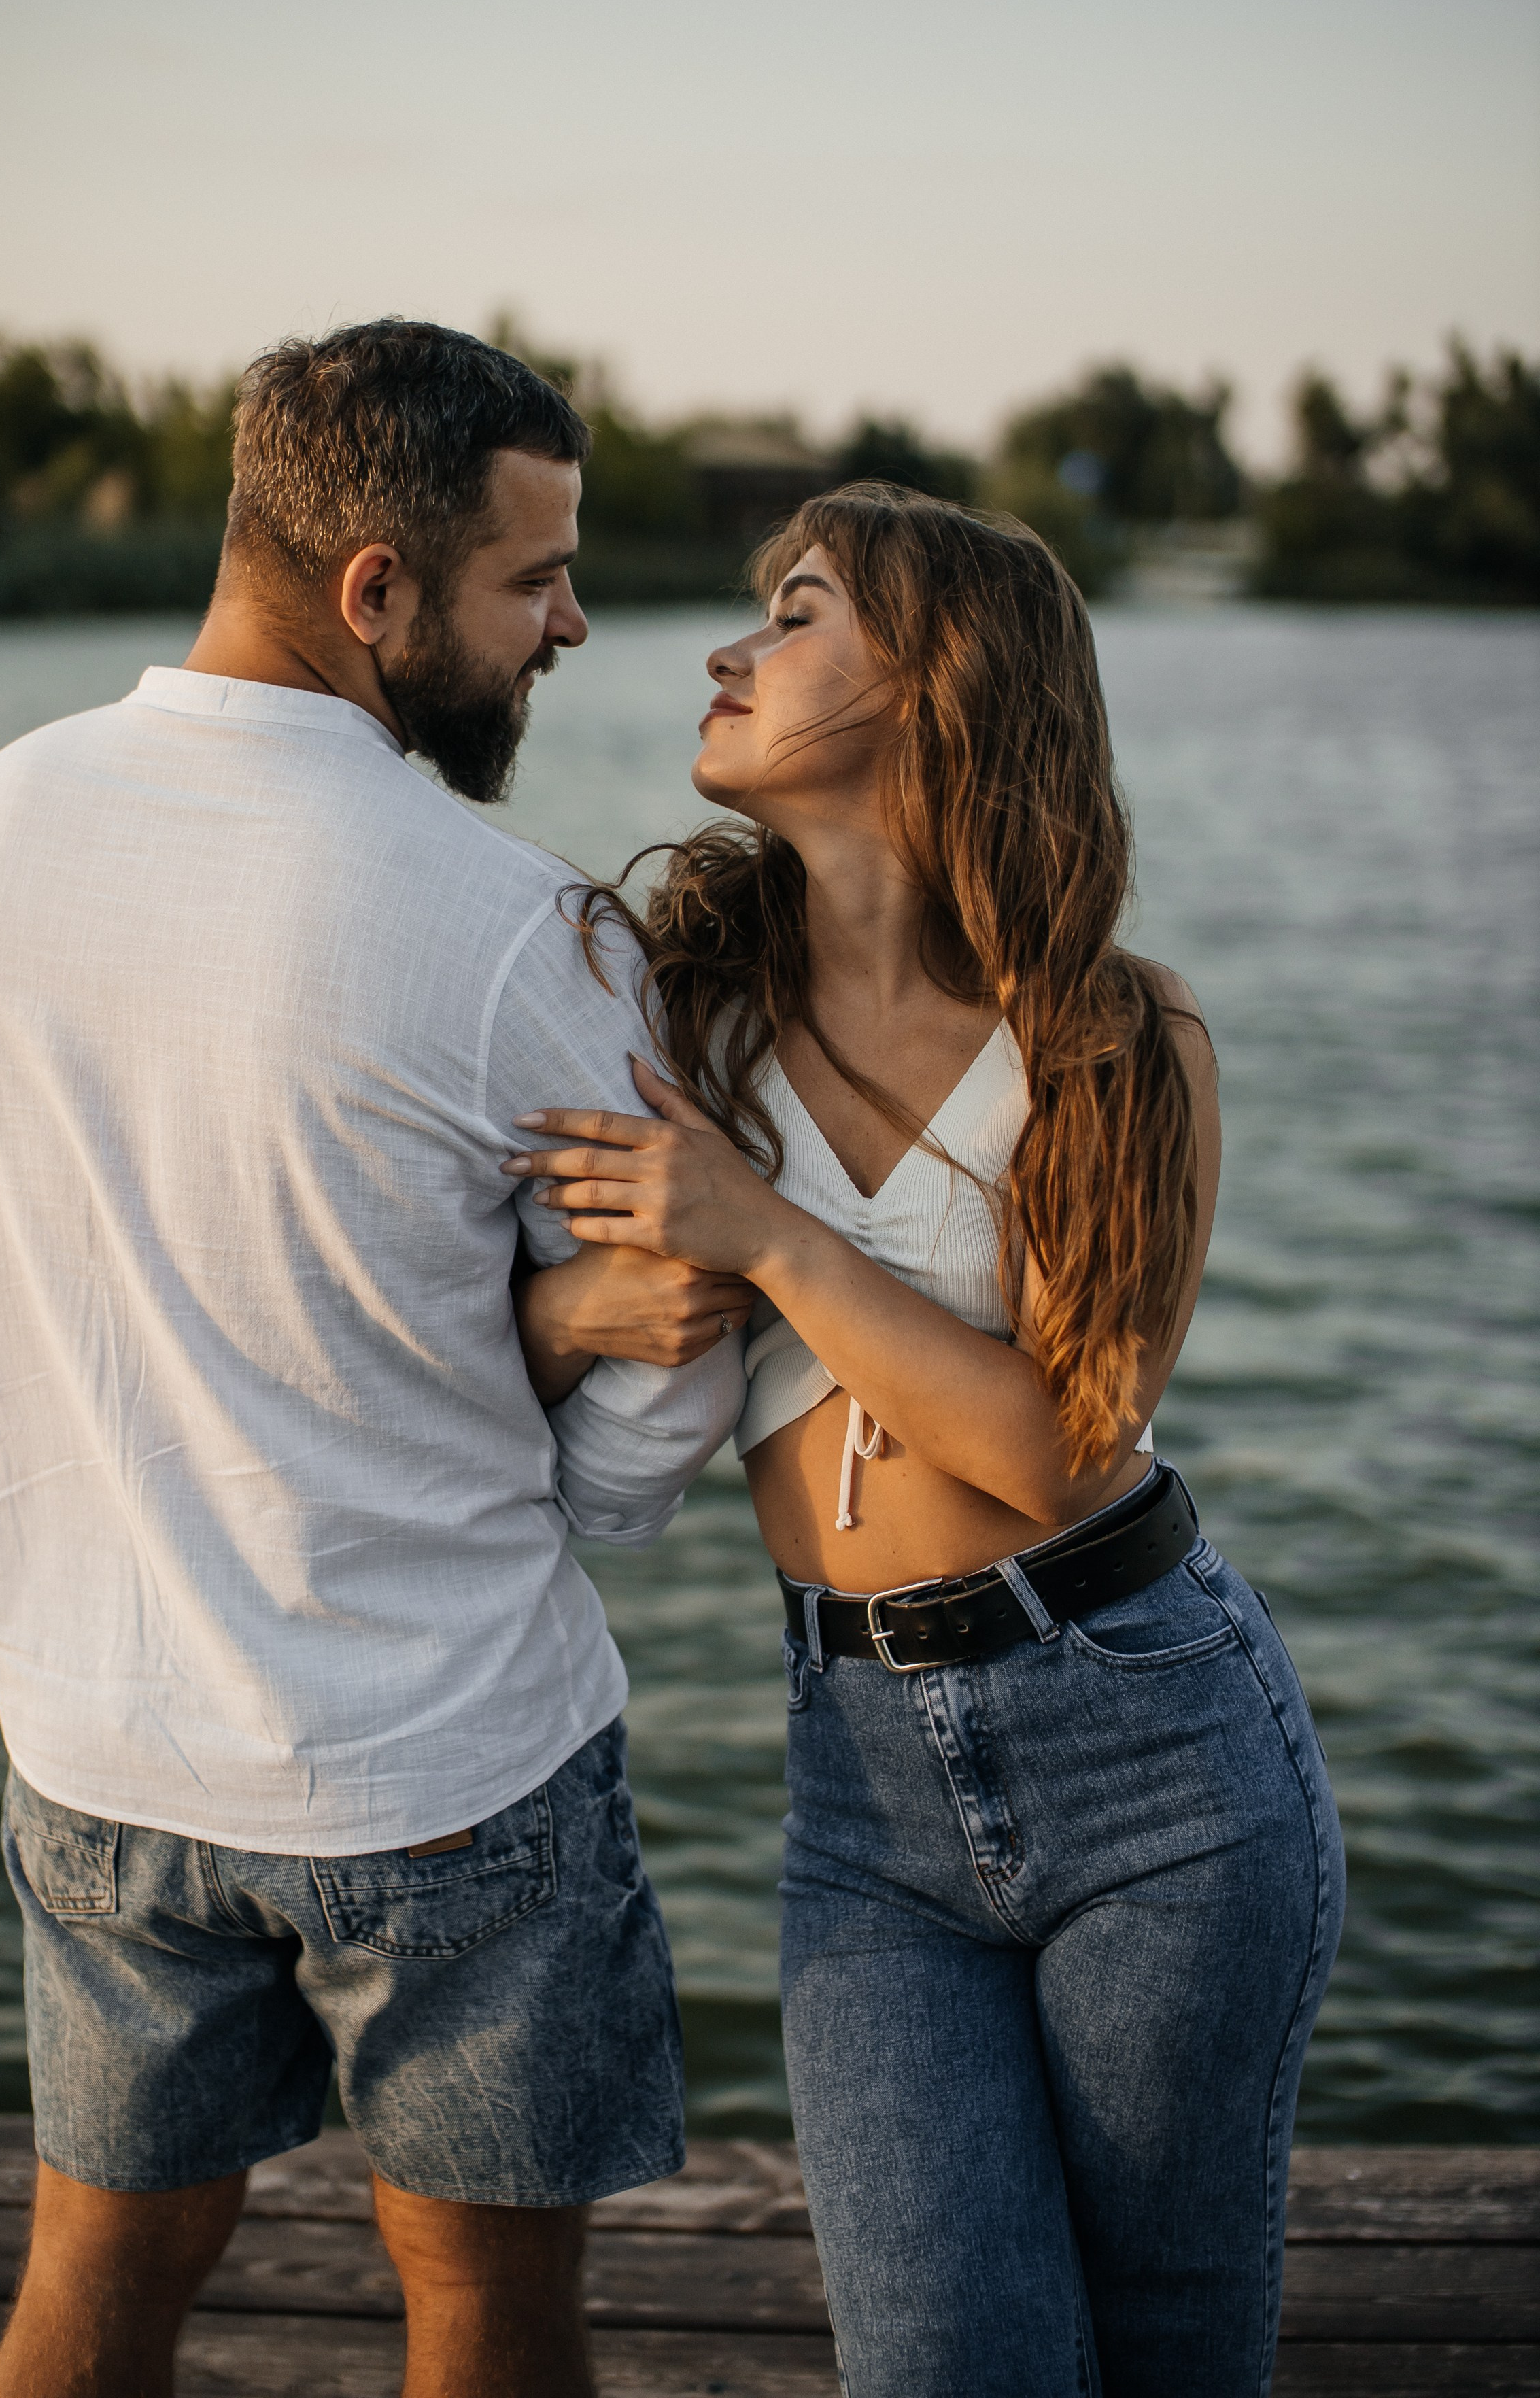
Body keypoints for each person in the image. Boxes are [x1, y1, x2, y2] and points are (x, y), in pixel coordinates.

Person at [0, 321, 752, 2398]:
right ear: (373, 590)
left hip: (100, 1755)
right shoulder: (514, 924)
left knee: (93, 2300)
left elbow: (138, 1254)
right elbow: (678, 1340)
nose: (572, 622)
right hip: (449, 1772)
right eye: (530, 580)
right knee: (484, 2333)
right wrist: (550, 1438)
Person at [507, 485, 1346, 2398]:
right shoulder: (671, 1014)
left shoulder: (1122, 1039)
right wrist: (578, 1312)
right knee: (945, 2357)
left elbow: (1068, 1449)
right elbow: (499, 1334)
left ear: (937, 683)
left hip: (1159, 1756)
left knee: (1170, 2347)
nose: (727, 651)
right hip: (865, 1798)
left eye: (791, 614)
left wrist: (770, 1237)